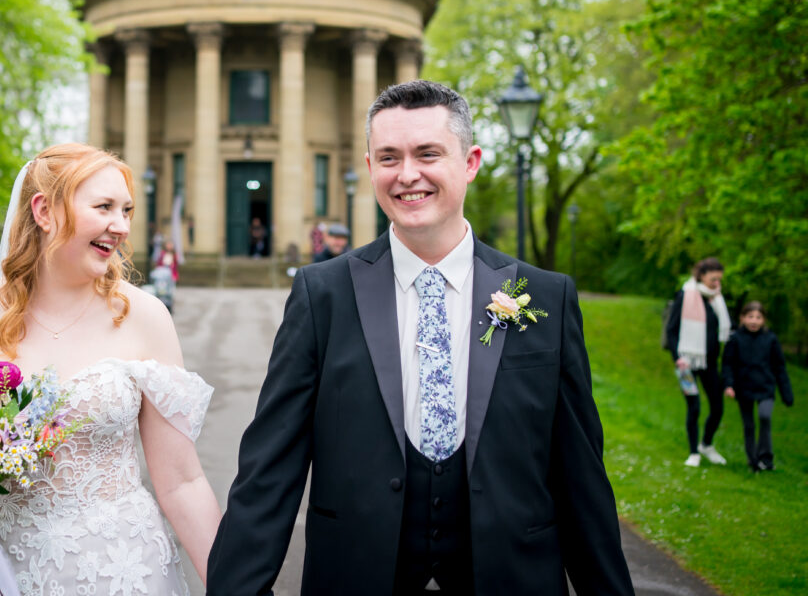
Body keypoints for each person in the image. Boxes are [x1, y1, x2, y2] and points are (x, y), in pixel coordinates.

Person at [207, 81, 633, 595]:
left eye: (428, 154)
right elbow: (268, 473)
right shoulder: (321, 295)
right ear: (369, 168)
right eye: (389, 157)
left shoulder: (545, 296)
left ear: (470, 162)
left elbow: (581, 480)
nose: (407, 175)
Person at [0, 143, 221, 596]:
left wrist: (235, 583)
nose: (121, 226)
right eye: (104, 207)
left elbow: (182, 481)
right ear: (44, 210)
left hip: (122, 570)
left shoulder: (145, 317)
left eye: (127, 210)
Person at [663, 257, 731, 467]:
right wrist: (678, 358)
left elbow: (725, 328)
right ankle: (693, 452)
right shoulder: (686, 295)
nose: (717, 283)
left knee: (718, 407)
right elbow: (671, 330)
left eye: (719, 279)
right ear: (701, 275)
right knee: (694, 407)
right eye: (713, 279)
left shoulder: (716, 299)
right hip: (686, 363)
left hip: (709, 362)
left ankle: (706, 445)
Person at [722, 301, 794, 471]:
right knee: (749, 425)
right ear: (742, 318)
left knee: (764, 416)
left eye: (758, 317)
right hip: (744, 388)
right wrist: (729, 385)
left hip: (765, 388)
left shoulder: (770, 340)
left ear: (764, 320)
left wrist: (786, 393)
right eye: (750, 317)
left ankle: (766, 458)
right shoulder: (735, 339)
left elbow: (779, 367)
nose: (754, 321)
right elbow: (727, 365)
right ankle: (753, 460)